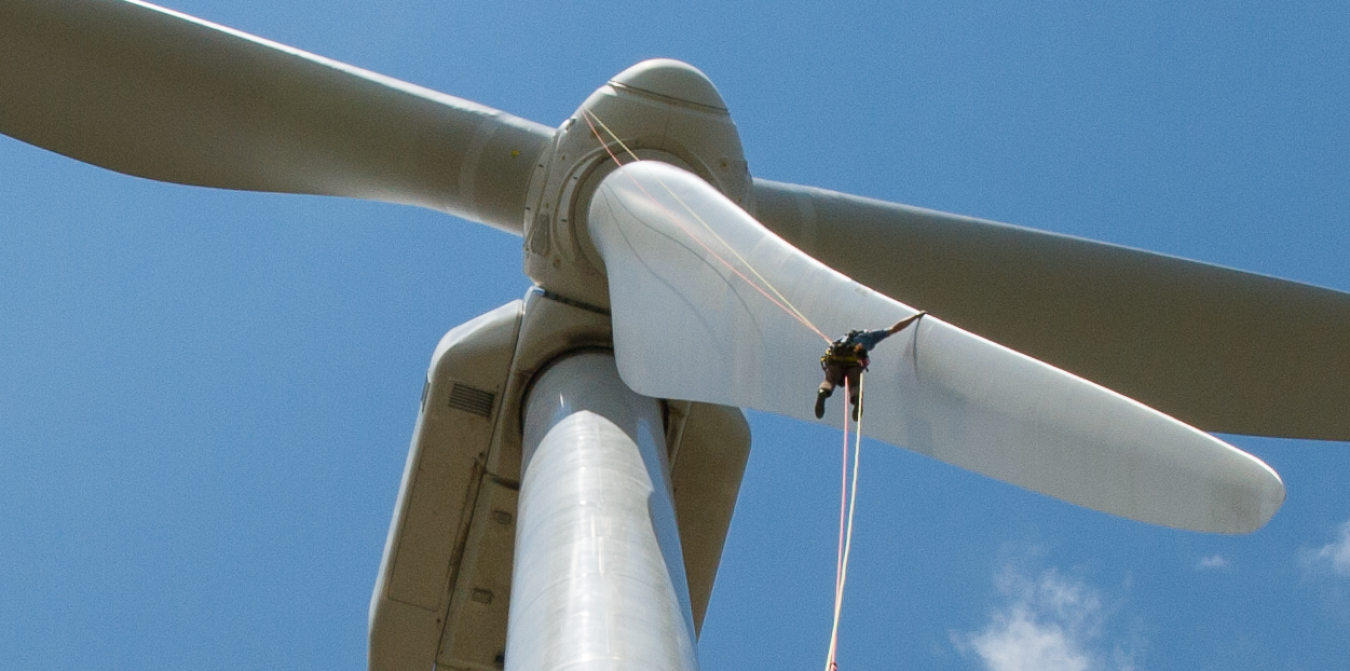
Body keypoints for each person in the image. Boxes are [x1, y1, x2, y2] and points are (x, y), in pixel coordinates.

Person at [815, 311, 927, 421]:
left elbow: (829, 350)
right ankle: (857, 401)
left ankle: (823, 392)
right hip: (854, 360)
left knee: (830, 380)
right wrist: (915, 317)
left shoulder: (842, 339)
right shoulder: (870, 335)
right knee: (854, 385)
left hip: (836, 358)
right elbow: (895, 328)